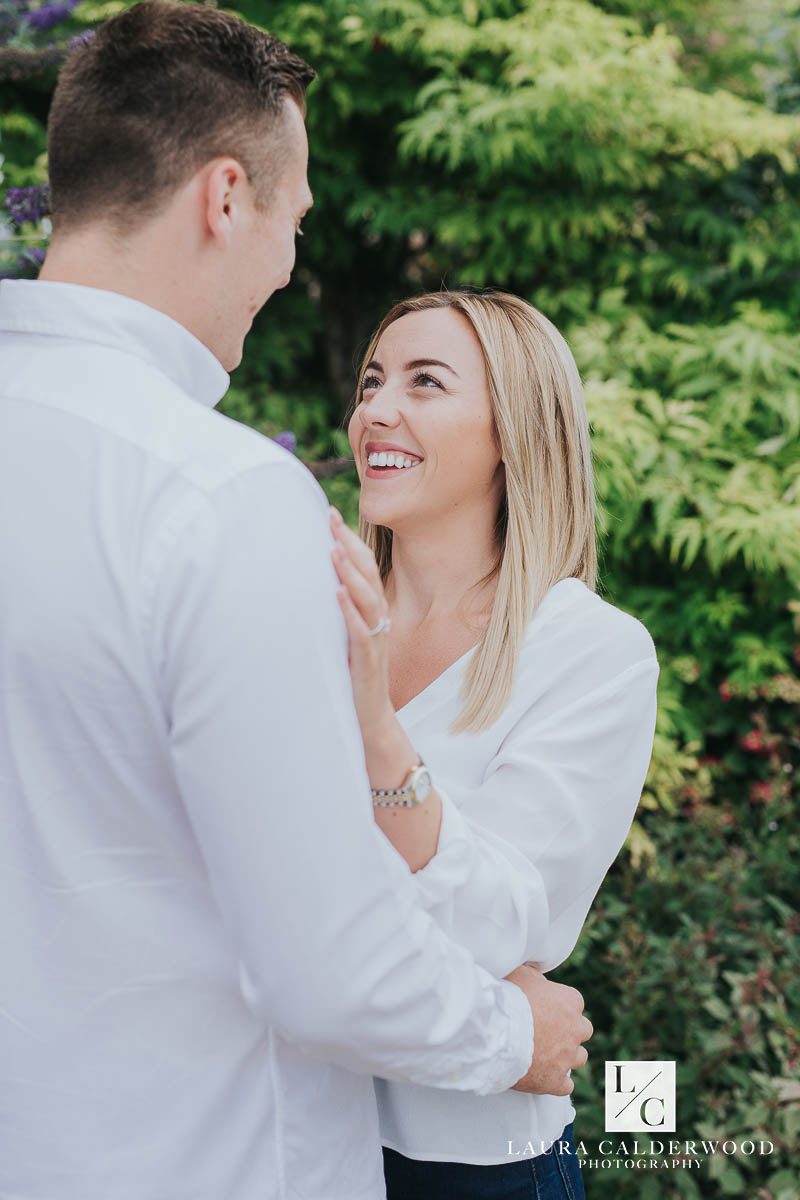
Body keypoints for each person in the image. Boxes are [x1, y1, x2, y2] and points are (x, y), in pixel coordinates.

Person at [0, 5, 593, 1199]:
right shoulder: (216, 495)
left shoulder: (583, 647)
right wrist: (509, 1039)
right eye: (292, 218)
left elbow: (530, 897)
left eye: (427, 382)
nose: (287, 263)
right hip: (200, 1159)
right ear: (227, 198)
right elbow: (323, 964)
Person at [329, 289, 660, 1199]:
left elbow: (504, 922)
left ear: (513, 432)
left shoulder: (591, 652)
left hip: (468, 1158)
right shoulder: (302, 610)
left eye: (425, 382)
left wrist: (373, 730)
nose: (375, 411)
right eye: (372, 381)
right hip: (290, 1132)